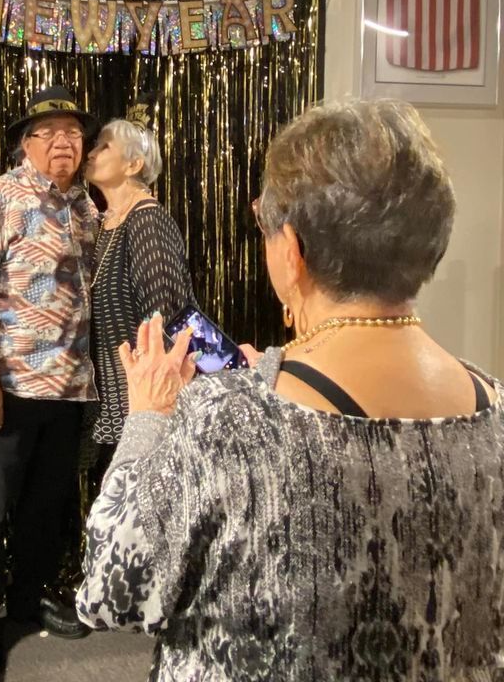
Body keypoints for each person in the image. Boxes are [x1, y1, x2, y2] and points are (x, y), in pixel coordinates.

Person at [76, 98, 504, 681]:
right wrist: (277, 365)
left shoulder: (228, 418)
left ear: (293, 251)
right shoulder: (496, 408)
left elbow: (110, 590)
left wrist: (148, 417)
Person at [0, 85, 99, 682]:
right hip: (4, 392)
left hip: (67, 391)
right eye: (49, 132)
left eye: (74, 133)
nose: (64, 141)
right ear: (25, 144)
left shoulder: (84, 206)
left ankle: (29, 601)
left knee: (45, 509)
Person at [83, 95, 196, 472]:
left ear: (133, 163)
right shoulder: (103, 225)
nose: (91, 152)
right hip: (115, 401)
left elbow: (166, 318)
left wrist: (155, 407)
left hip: (145, 405)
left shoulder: (146, 220)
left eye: (103, 146)